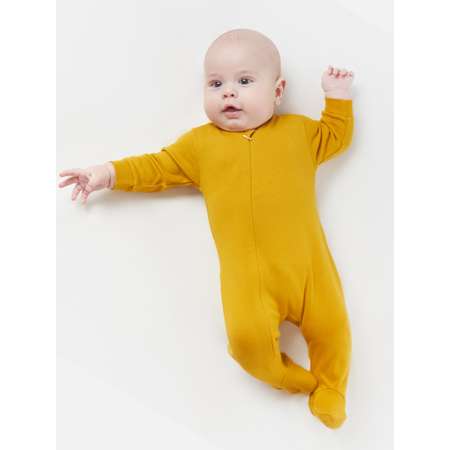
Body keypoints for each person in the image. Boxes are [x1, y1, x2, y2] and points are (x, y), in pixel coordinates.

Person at [58, 28, 355, 429]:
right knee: (246, 343)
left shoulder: (299, 133)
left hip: (310, 272)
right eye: (216, 84)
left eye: (244, 81)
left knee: (333, 327)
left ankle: (333, 388)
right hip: (249, 282)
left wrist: (338, 97)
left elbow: (335, 135)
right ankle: (299, 381)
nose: (228, 92)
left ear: (277, 91)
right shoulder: (200, 146)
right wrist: (108, 173)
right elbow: (156, 167)